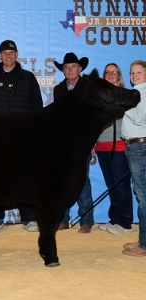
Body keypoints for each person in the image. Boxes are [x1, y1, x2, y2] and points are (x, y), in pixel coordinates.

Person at [0, 39, 43, 233]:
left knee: (25, 178)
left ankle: (29, 217)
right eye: (5, 52)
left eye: (11, 52)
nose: (8, 56)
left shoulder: (28, 77)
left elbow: (37, 108)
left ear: (17, 55)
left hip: (23, 137)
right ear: (0, 55)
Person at [53, 52, 94, 233]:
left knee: (82, 181)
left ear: (80, 68)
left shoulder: (88, 88)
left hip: (82, 141)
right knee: (63, 181)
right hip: (63, 142)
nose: (69, 70)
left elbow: (93, 117)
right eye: (66, 67)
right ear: (63, 71)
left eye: (73, 67)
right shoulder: (59, 89)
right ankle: (63, 219)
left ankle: (86, 220)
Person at [96, 63, 133, 234]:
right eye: (107, 72)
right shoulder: (99, 97)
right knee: (111, 185)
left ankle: (125, 222)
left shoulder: (126, 96)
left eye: (114, 72)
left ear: (119, 76)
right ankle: (115, 219)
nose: (110, 75)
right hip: (102, 146)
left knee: (121, 185)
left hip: (119, 146)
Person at [121, 60, 146, 257]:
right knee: (141, 195)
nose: (134, 75)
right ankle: (143, 240)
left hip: (140, 147)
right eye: (132, 72)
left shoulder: (143, 94)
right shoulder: (137, 93)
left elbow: (139, 118)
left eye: (138, 72)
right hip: (135, 147)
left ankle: (144, 245)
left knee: (143, 197)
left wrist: (125, 101)